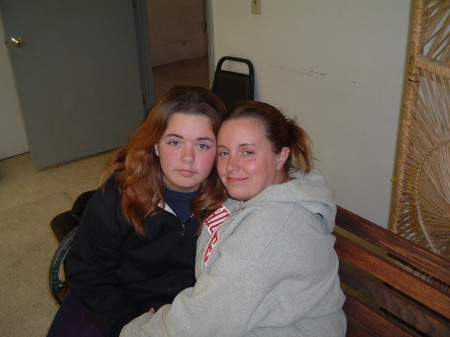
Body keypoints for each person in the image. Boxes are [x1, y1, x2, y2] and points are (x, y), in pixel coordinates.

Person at [119, 100, 346, 337]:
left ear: (281, 157)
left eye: (247, 152)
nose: (230, 166)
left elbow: (203, 319)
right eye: (224, 153)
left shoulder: (272, 227)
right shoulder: (256, 193)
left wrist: (135, 331)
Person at [46, 86, 228, 337]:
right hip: (117, 299)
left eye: (203, 145)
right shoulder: (119, 194)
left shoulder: (232, 201)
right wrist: (128, 325)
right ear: (155, 145)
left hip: (191, 311)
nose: (188, 157)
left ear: (220, 151)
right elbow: (88, 272)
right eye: (175, 142)